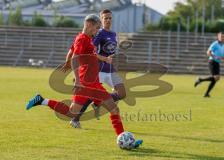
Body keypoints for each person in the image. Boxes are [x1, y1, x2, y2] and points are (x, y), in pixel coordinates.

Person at [26, 14, 142, 149]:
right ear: (89, 25)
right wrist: (78, 79)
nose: (97, 31)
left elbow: (72, 52)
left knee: (113, 109)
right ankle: (41, 100)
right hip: (86, 83)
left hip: (93, 82)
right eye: (96, 28)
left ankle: (126, 140)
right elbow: (76, 57)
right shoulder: (82, 39)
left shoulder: (86, 38)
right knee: (73, 113)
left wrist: (68, 61)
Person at [194, 32, 224, 97]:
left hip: (217, 62)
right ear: (218, 37)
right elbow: (208, 52)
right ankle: (200, 80)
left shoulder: (223, 45)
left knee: (216, 79)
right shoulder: (215, 44)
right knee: (216, 77)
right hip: (212, 61)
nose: (222, 38)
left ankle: (206, 93)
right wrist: (214, 56)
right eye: (221, 36)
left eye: (223, 37)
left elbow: (220, 55)